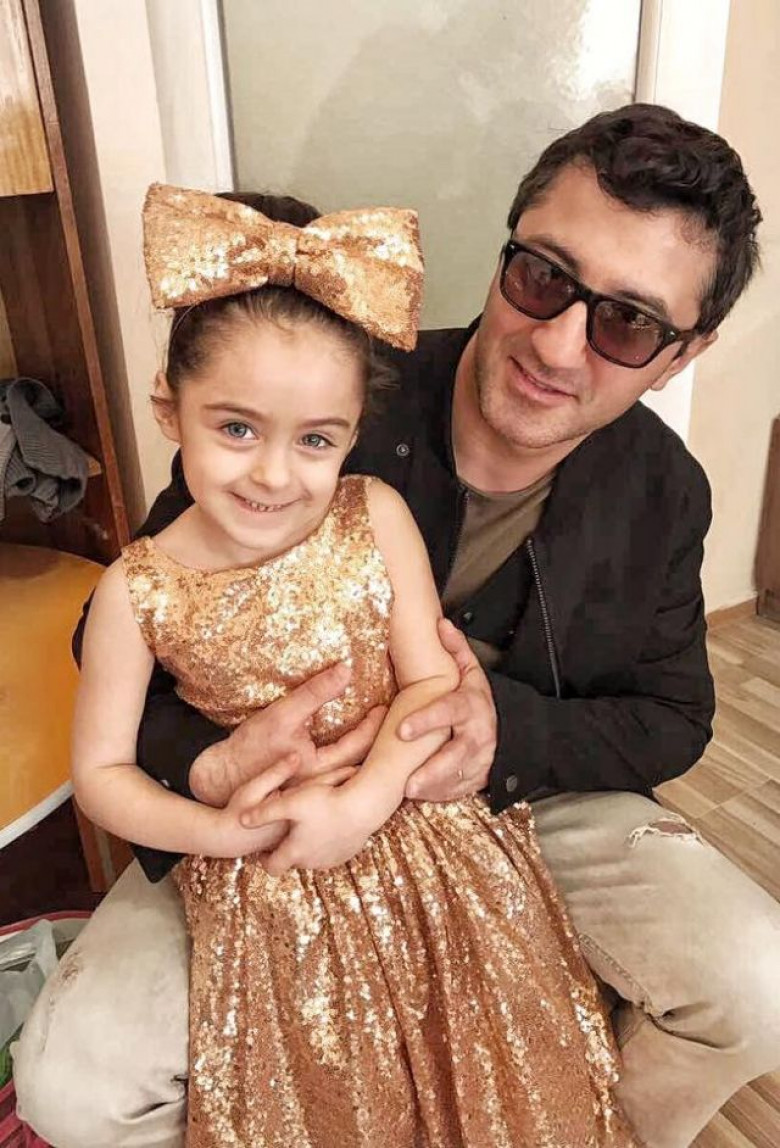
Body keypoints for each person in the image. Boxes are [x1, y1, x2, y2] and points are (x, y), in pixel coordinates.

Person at [14, 104, 780, 1148]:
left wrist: (499, 730)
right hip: (267, 821)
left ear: (683, 355)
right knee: (72, 1084)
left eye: (629, 323)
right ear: (505, 255)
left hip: (518, 804)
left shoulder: (663, 490)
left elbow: (674, 716)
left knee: (758, 980)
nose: (559, 344)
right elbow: (125, 634)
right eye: (545, 277)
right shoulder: (324, 380)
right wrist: (212, 769)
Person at [58, 184, 639, 1146]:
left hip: (426, 841)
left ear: (352, 434)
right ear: (170, 408)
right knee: (331, 1096)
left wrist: (366, 800)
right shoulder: (133, 591)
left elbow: (431, 679)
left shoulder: (375, 516)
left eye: (315, 440)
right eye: (236, 429)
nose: (274, 474)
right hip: (267, 883)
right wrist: (223, 832)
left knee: (490, 1074)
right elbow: (103, 774)